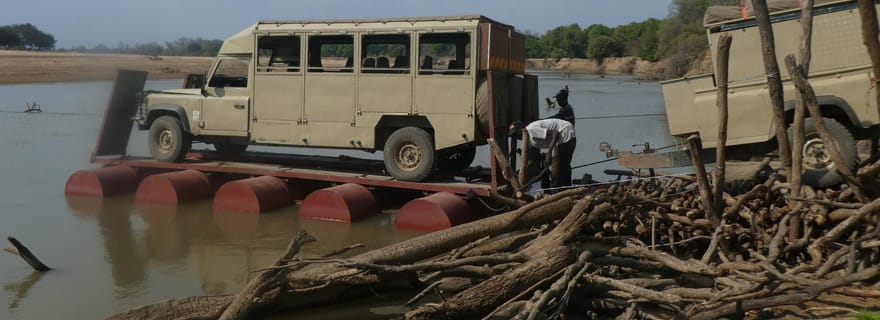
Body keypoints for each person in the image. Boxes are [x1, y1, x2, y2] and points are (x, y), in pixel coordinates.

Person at [512, 118, 576, 189]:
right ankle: (567, 189)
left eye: (516, 133)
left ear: (521, 129)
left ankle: (555, 192)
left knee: (556, 172)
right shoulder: (529, 140)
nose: (516, 137)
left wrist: (549, 152)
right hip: (566, 135)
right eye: (514, 136)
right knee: (564, 166)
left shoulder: (531, 130)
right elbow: (533, 159)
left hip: (564, 132)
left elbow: (555, 133)